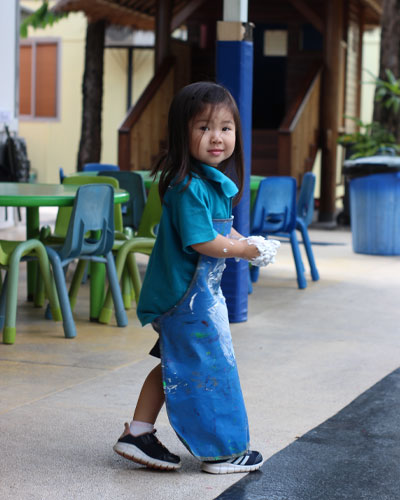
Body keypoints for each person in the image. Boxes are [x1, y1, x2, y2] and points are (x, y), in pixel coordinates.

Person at [113, 81, 264, 474]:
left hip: (192, 299)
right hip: (185, 300)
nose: (217, 137)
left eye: (226, 128)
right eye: (203, 128)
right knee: (209, 367)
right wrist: (243, 250)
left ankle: (138, 433)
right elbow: (202, 241)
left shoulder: (211, 183)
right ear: (183, 133)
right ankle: (220, 451)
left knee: (172, 362)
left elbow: (220, 230)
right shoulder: (188, 186)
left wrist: (244, 240)